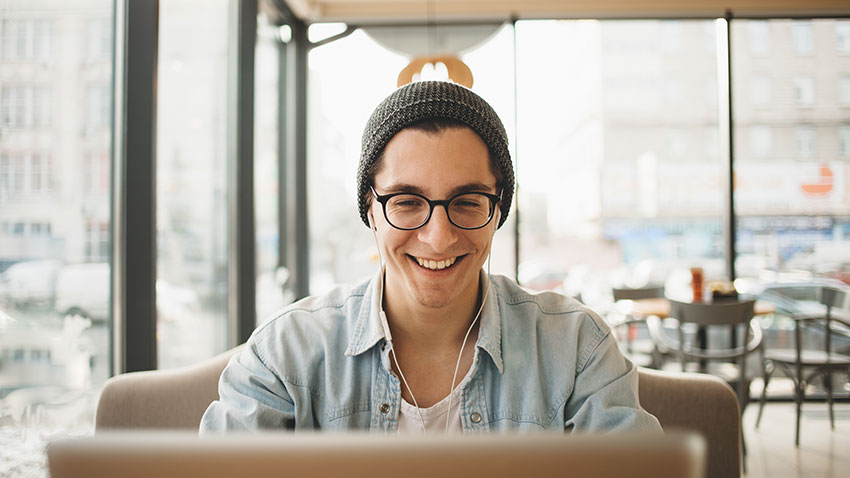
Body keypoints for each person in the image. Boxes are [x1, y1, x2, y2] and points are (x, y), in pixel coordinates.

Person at [200, 81, 661, 434]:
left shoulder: (577, 349)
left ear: (498, 210)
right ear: (370, 210)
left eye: (467, 202)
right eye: (406, 202)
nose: (438, 238)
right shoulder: (286, 355)